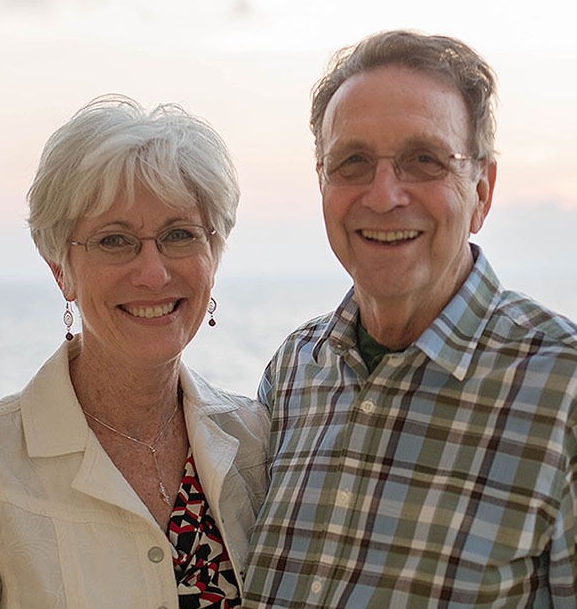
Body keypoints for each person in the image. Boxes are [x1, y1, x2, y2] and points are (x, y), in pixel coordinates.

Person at [243, 30, 577, 608]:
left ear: (482, 191)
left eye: (423, 160)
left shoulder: (562, 390)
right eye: (353, 162)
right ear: (322, 182)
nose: (384, 194)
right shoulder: (295, 374)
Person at [0, 95, 269, 608]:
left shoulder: (257, 443)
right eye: (114, 241)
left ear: (213, 255)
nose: (153, 272)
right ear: (61, 270)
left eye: (178, 234)